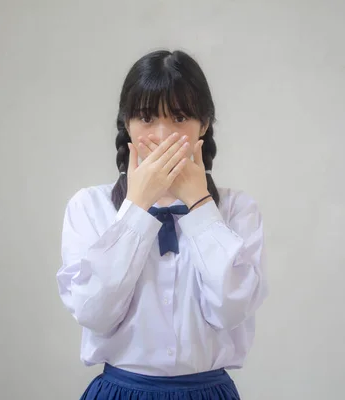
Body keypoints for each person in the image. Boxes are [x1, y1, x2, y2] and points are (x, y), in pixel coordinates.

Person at [56, 49, 268, 400]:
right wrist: (137, 208)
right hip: (122, 391)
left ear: (204, 124)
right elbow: (95, 313)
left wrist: (201, 207)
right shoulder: (89, 207)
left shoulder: (237, 209)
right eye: (147, 117)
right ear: (127, 123)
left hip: (206, 392)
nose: (164, 134)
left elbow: (230, 310)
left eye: (181, 117)